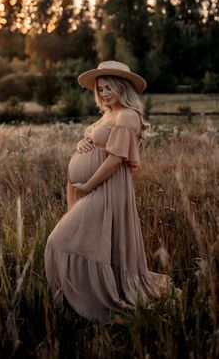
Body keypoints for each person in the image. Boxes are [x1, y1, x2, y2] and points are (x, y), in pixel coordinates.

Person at [44, 60, 180, 324]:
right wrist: (83, 143)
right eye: (101, 88)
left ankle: (96, 300)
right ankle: (80, 301)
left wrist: (88, 185)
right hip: (92, 187)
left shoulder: (127, 115)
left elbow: (116, 159)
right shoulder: (108, 114)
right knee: (91, 243)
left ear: (122, 87)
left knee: (58, 241)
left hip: (106, 188)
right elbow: (98, 141)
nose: (104, 93)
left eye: (109, 88)